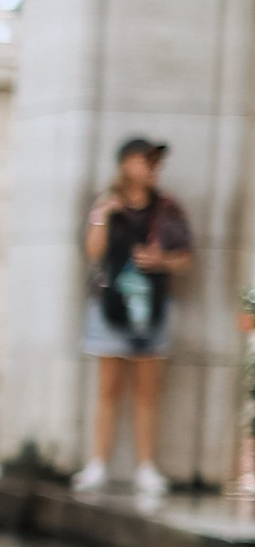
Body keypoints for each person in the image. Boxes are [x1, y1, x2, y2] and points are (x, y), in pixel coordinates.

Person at [75, 137, 195, 505]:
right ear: (127, 163)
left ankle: (146, 467)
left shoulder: (168, 208)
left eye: (156, 162)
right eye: (148, 161)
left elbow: (185, 258)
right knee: (108, 389)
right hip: (110, 304)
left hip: (151, 306)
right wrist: (101, 216)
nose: (154, 168)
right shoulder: (107, 204)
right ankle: (97, 464)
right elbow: (93, 253)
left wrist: (159, 261)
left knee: (147, 391)